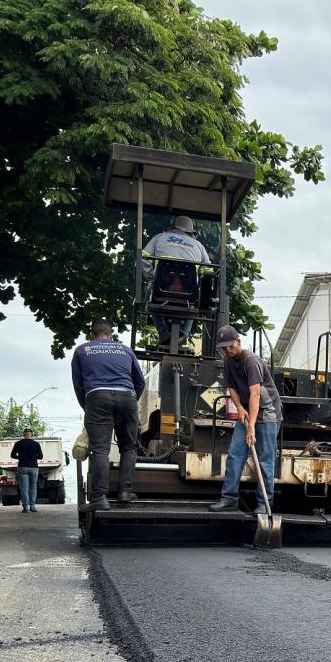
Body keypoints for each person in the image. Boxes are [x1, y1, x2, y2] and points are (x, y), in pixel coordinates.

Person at [73, 319, 147, 511]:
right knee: (129, 447)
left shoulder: (82, 350)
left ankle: (99, 497)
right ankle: (125, 491)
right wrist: (130, 401)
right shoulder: (125, 350)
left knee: (100, 449)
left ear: (91, 335)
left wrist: (87, 408)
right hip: (127, 397)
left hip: (96, 397)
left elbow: (79, 386)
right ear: (111, 335)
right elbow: (140, 383)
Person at [209, 324, 282, 513]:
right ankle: (229, 499)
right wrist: (240, 408)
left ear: (238, 342)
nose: (227, 350)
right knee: (235, 455)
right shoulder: (227, 361)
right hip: (248, 411)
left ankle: (264, 504)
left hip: (267, 413)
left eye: (230, 346)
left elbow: (255, 394)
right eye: (223, 347)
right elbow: (231, 388)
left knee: (265, 459)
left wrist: (251, 427)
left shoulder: (251, 361)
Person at [141, 215, 210, 351]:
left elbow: (144, 259)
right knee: (196, 301)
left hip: (160, 291)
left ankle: (162, 331)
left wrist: (152, 277)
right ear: (191, 232)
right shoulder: (199, 246)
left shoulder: (159, 238)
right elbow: (208, 271)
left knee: (150, 295)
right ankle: (184, 333)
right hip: (188, 294)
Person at [8, 427, 44, 513]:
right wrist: (34, 457)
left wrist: (20, 457)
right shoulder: (36, 444)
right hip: (34, 467)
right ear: (32, 435)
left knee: (24, 487)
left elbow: (12, 455)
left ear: (23, 435)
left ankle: (25, 507)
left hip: (22, 467)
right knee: (33, 487)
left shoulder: (18, 443)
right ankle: (32, 506)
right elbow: (41, 456)